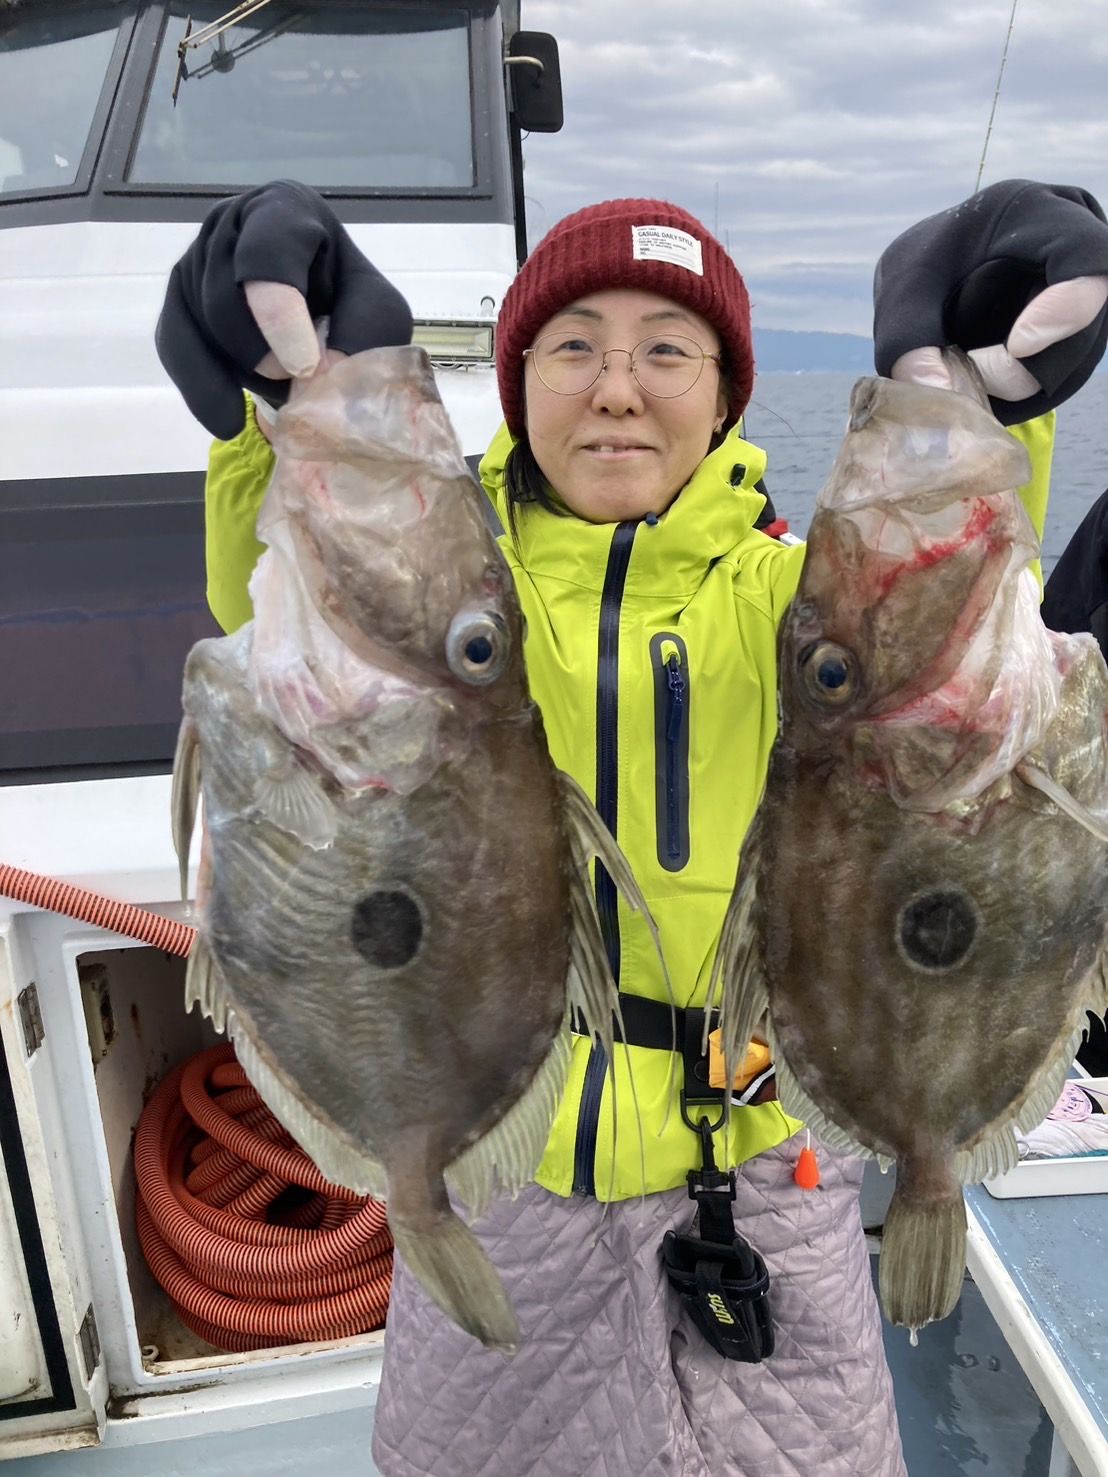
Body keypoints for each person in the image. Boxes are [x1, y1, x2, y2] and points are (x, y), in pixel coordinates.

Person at [156, 177, 1108, 1477]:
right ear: (517, 385)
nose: (616, 388)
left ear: (724, 400)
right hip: (514, 1172)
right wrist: (275, 413)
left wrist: (975, 405)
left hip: (770, 1172)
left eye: (667, 350)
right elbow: (286, 613)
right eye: (573, 347)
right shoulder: (459, 586)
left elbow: (947, 607)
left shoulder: (794, 596)